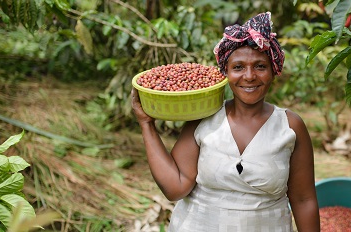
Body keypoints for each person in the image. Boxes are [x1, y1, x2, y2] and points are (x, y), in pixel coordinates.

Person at [131, 12, 320, 232]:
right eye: (238, 67)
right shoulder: (204, 118)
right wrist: (146, 125)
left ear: (273, 71)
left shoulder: (289, 126)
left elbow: (304, 199)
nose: (249, 76)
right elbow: (175, 188)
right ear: (225, 73)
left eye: (260, 66)